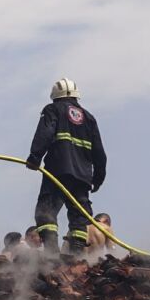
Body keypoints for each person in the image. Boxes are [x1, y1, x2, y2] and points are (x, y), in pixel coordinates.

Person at [26, 78, 106, 255]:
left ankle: (51, 254)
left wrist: (34, 157)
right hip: (83, 176)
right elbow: (99, 151)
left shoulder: (52, 109)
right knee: (79, 215)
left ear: (55, 97)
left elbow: (45, 133)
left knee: (46, 211)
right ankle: (76, 254)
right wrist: (98, 177)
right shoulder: (89, 119)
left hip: (58, 171)